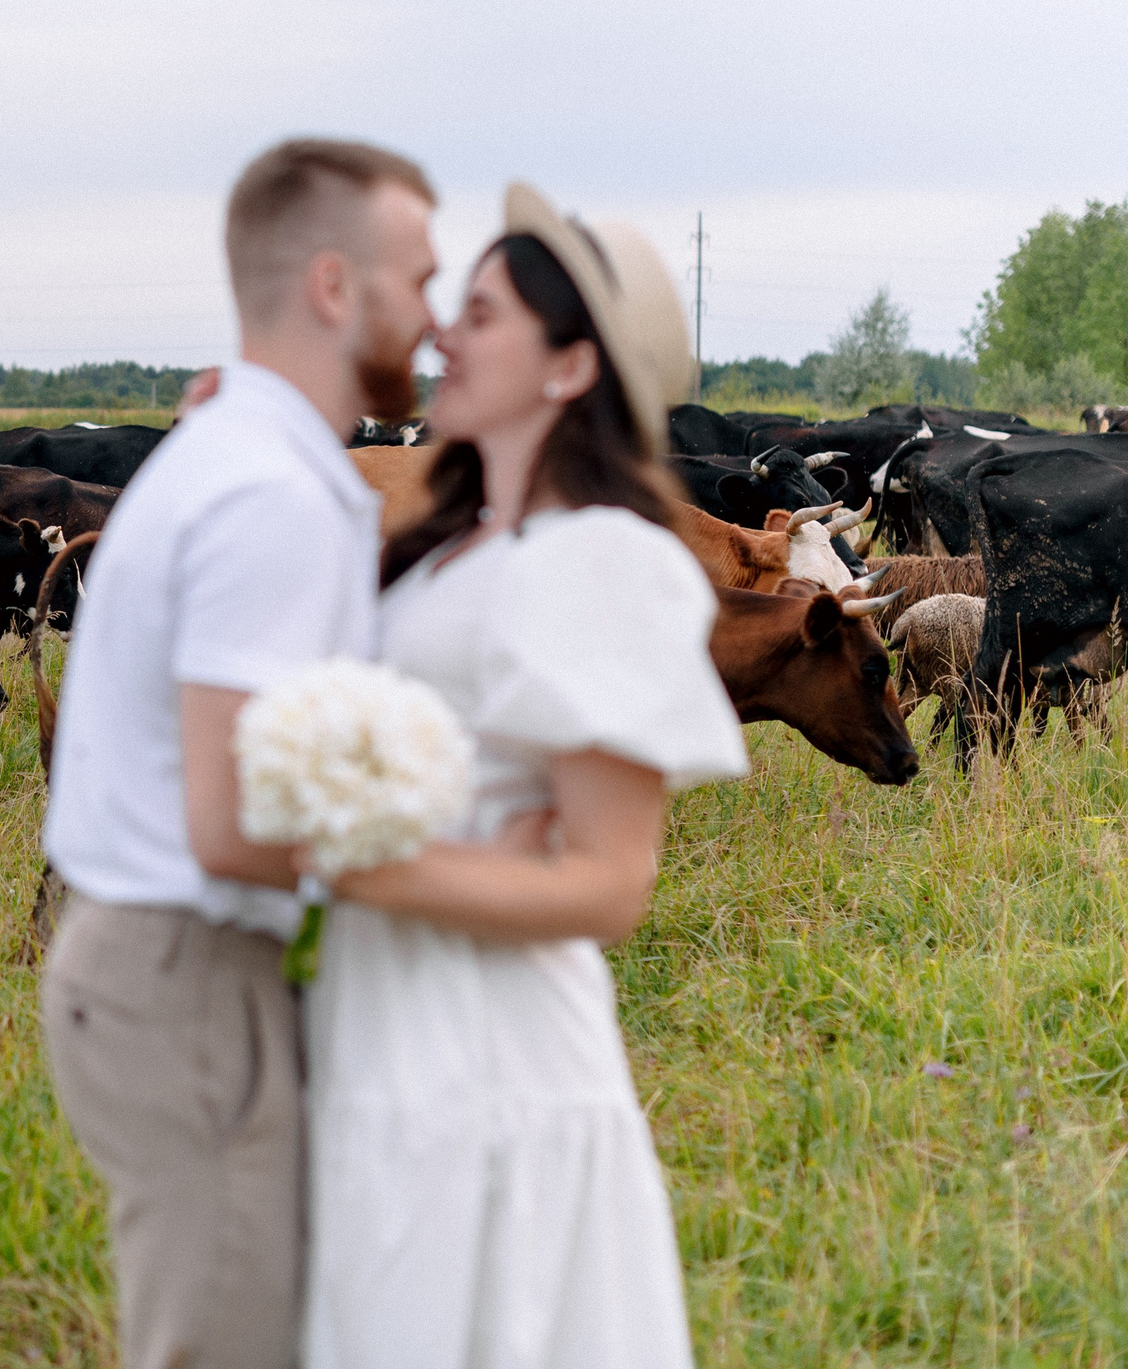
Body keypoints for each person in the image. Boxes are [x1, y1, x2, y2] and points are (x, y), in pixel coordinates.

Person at [299, 185, 747, 1368]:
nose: (443, 331)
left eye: (483, 313)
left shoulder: (602, 559)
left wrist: (359, 868)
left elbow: (607, 881)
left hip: (492, 1056)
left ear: (567, 368)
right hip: (376, 1021)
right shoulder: (441, 551)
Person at [40, 137, 439, 1369]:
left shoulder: (239, 453)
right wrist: (475, 883)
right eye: (418, 279)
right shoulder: (267, 491)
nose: (431, 320)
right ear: (334, 285)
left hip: (174, 960)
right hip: (189, 971)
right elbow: (227, 820)